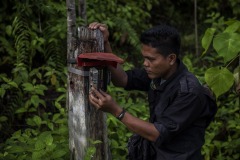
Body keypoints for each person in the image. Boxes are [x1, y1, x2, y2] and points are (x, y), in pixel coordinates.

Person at [88, 22, 217, 160]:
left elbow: (157, 133)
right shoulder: (158, 75)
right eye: (144, 58)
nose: (145, 63)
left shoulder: (188, 91)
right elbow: (123, 79)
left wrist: (116, 111)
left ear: (171, 59)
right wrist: (106, 44)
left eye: (151, 59)